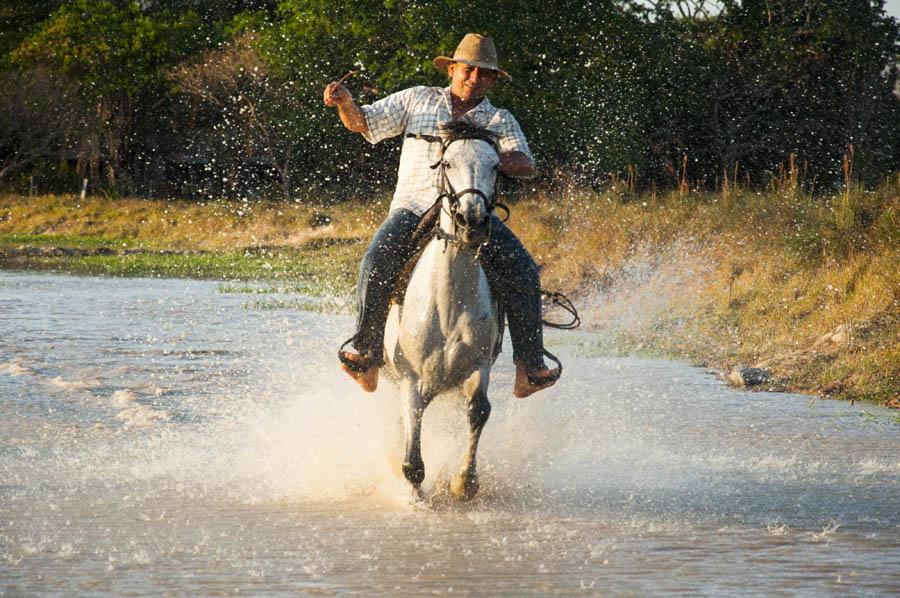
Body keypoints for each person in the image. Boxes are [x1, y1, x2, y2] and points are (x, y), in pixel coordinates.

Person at [323, 33, 560, 398]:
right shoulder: (418, 99)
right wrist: (345, 102)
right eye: (468, 70)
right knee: (375, 258)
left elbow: (526, 164)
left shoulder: (499, 118)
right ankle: (368, 352)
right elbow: (363, 122)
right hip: (415, 207)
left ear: (492, 80)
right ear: (452, 69)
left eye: (484, 74)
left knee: (524, 270)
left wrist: (494, 154)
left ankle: (529, 365)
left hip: (473, 211)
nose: (474, 79)